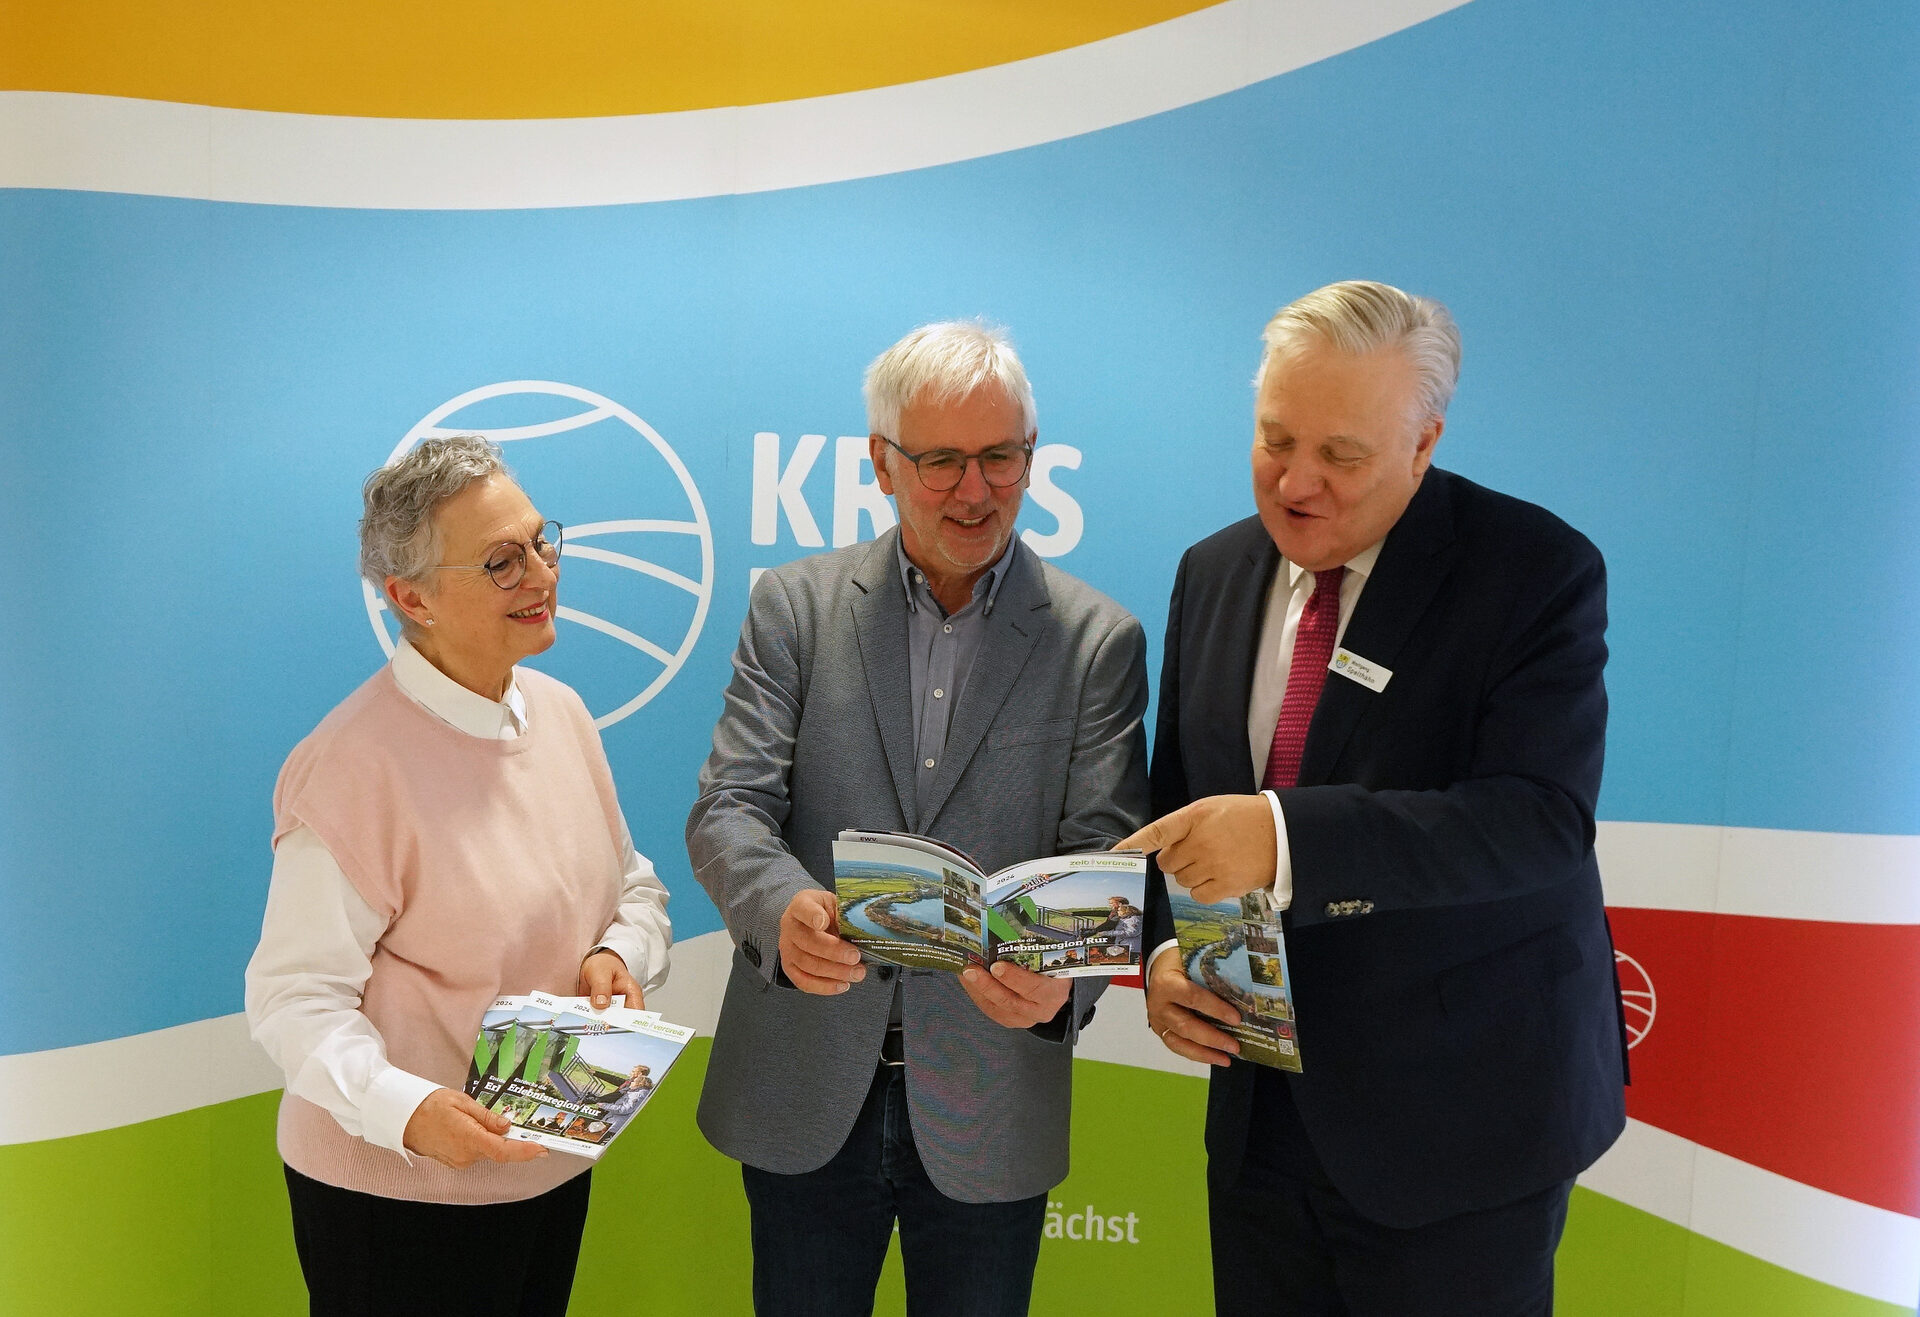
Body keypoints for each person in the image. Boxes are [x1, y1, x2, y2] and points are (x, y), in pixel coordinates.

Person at [1120, 282, 1627, 1316]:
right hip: (1261, 1116)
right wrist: (1166, 955)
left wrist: (1283, 837)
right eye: (1275, 440)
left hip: (1461, 1126)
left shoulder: (1533, 571)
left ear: (1424, 442)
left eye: (1341, 455)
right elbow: (1179, 808)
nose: (1295, 481)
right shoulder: (1212, 571)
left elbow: (1539, 819)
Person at [687, 321, 1149, 1316]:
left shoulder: (1097, 641)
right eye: (941, 461)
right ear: (882, 463)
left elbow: (1102, 856)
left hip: (990, 1099)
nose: (974, 489)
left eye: (1000, 457)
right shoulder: (794, 607)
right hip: (806, 1084)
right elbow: (729, 807)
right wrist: (780, 910)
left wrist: (1060, 985)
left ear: (1032, 455)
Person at [245, 435, 672, 1317]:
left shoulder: (561, 715)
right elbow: (293, 999)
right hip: (391, 1196)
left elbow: (633, 888)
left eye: (541, 542)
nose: (541, 574)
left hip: (544, 1168)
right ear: (412, 598)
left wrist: (618, 955)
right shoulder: (349, 769)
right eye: (501, 561)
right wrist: (407, 1111)